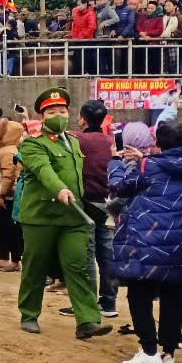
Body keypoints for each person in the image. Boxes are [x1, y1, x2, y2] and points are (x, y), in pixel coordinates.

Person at [16, 88, 112, 339]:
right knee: (35, 268)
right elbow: (43, 170)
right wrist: (60, 189)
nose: (57, 115)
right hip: (41, 216)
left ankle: (88, 320)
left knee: (78, 265)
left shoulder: (75, 142)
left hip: (74, 216)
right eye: (51, 112)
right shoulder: (32, 144)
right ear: (42, 115)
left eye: (61, 111)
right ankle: (29, 314)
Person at [109, 119, 182, 363]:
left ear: (157, 142)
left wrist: (116, 164)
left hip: (148, 242)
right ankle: (169, 355)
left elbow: (120, 187)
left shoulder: (147, 166)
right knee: (174, 296)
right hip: (180, 245)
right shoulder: (155, 164)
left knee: (139, 294)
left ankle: (149, 350)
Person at [73, 100, 119, 318]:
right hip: (110, 202)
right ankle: (109, 303)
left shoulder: (76, 139)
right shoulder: (111, 139)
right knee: (108, 253)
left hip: (87, 202)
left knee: (87, 254)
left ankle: (89, 304)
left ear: (82, 118)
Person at [0, 118, 25, 272]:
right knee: (0, 228)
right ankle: (4, 258)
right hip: (1, 196)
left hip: (6, 199)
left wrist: (0, 194)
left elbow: (8, 176)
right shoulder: (6, 149)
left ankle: (14, 260)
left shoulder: (9, 151)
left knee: (8, 230)